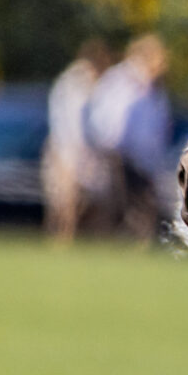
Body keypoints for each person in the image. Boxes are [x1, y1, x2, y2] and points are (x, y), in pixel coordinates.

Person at [87, 34, 178, 243]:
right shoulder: (121, 81)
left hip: (143, 162)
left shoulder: (155, 88)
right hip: (118, 157)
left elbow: (159, 128)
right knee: (117, 210)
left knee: (144, 212)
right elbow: (110, 122)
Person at [43, 37, 115, 242]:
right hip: (67, 150)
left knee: (95, 206)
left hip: (88, 154)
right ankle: (61, 244)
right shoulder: (73, 84)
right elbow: (68, 126)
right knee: (66, 206)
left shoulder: (96, 87)